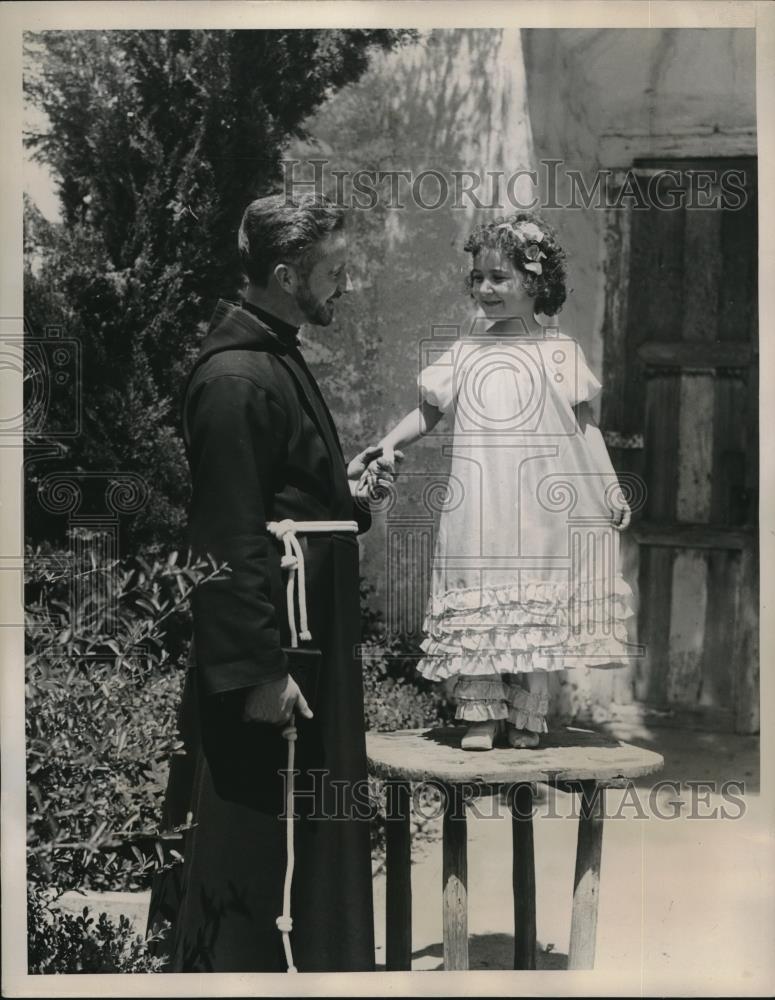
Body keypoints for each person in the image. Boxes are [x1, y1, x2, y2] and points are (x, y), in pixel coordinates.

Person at [146, 193, 393, 971]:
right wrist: (257, 673)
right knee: (255, 845)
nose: (343, 287)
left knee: (300, 840)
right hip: (276, 655)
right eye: (333, 272)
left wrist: (347, 502)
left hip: (305, 639)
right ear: (286, 275)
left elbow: (284, 504)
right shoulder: (237, 379)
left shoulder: (275, 355)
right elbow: (224, 539)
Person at [362, 213, 634, 751]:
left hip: (540, 504)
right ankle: (482, 716)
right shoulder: (466, 352)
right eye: (478, 278)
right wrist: (390, 443)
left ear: (534, 283)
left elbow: (584, 425)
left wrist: (609, 486)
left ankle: (530, 717)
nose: (485, 289)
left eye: (499, 278)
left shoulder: (560, 353)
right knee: (480, 592)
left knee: (534, 602)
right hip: (480, 500)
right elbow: (429, 411)